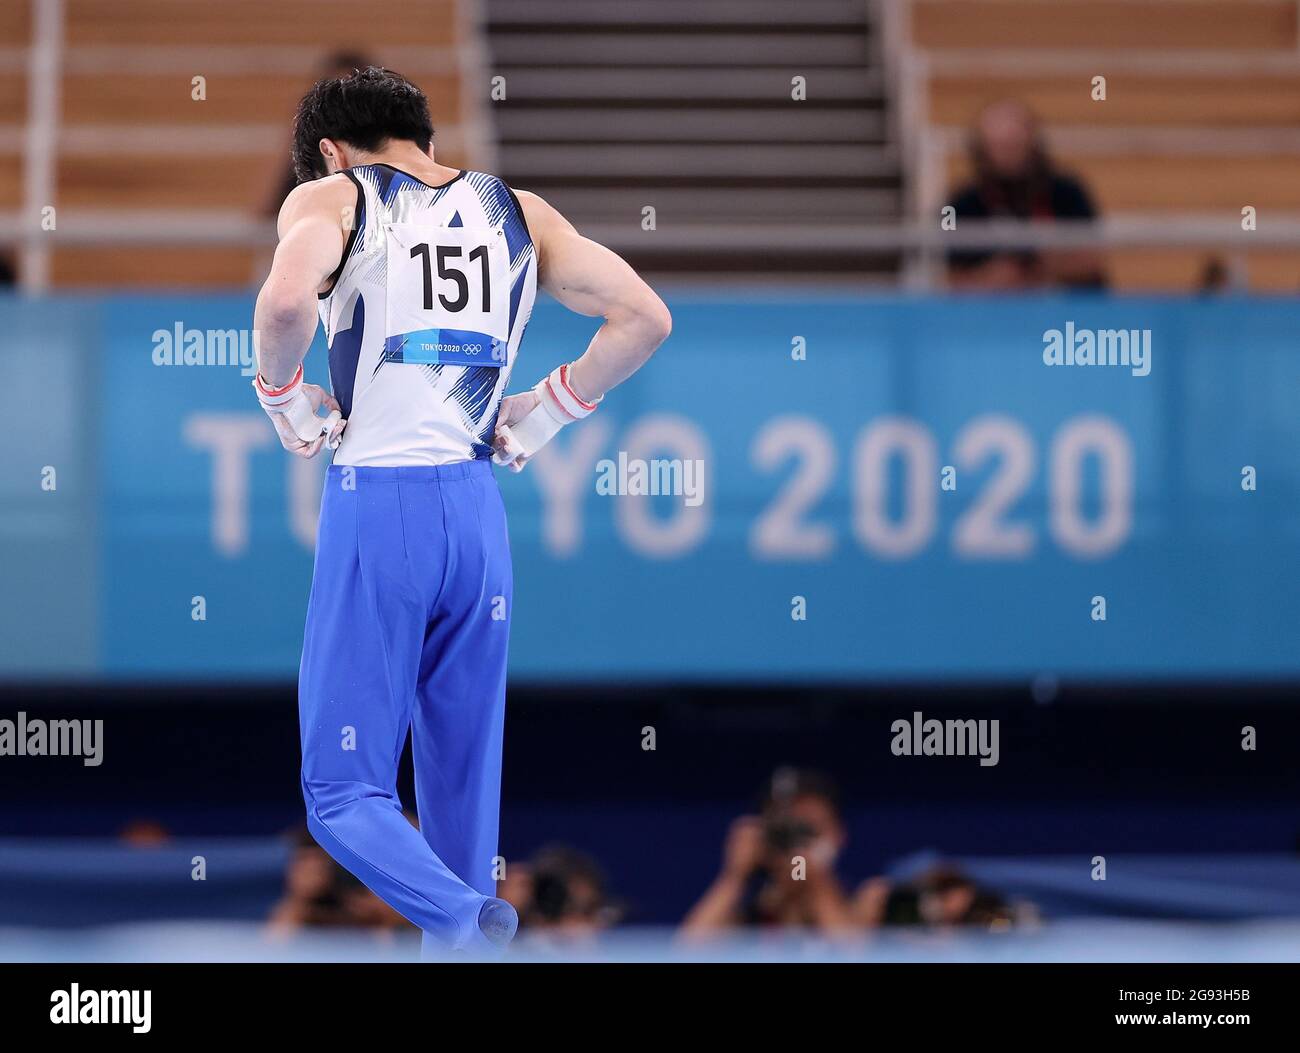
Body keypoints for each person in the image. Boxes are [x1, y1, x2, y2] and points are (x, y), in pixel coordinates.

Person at [250, 67, 671, 957]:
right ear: (427, 141)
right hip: (478, 518)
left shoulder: (333, 196)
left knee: (341, 794)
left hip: (381, 507)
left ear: (329, 152)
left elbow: (286, 301)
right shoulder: (519, 210)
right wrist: (552, 405)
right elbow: (643, 316)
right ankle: (471, 920)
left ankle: (463, 919)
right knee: (462, 809)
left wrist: (284, 397)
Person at [946, 99, 1106, 290]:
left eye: (1015, 144)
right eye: (999, 146)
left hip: (1068, 311)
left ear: (1033, 143)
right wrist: (993, 278)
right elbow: (954, 282)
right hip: (994, 313)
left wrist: (1044, 266)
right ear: (981, 150)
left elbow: (1093, 259)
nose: (1009, 155)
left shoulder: (1066, 190)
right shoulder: (962, 203)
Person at [681, 768, 855, 935]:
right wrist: (734, 878)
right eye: (782, 834)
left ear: (838, 835)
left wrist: (815, 883)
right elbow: (683, 956)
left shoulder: (865, 908)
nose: (793, 847)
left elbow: (856, 956)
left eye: (807, 830)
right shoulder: (746, 922)